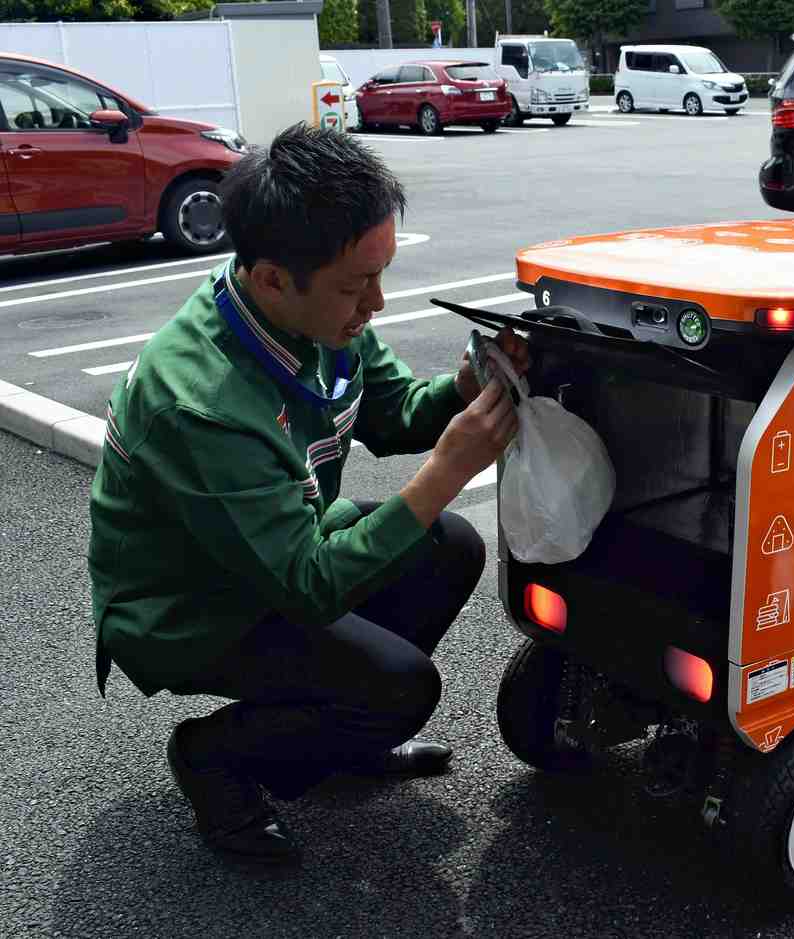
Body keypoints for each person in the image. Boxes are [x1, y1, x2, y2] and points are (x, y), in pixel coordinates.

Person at [88, 123, 530, 862]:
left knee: (447, 544)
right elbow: (309, 584)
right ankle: (214, 758)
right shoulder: (201, 401)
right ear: (271, 278)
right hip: (187, 606)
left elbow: (393, 414)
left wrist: (464, 385)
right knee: (402, 686)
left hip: (269, 554)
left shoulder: (315, 314)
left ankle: (338, 737)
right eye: (357, 285)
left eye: (380, 275)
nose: (376, 303)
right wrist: (451, 468)